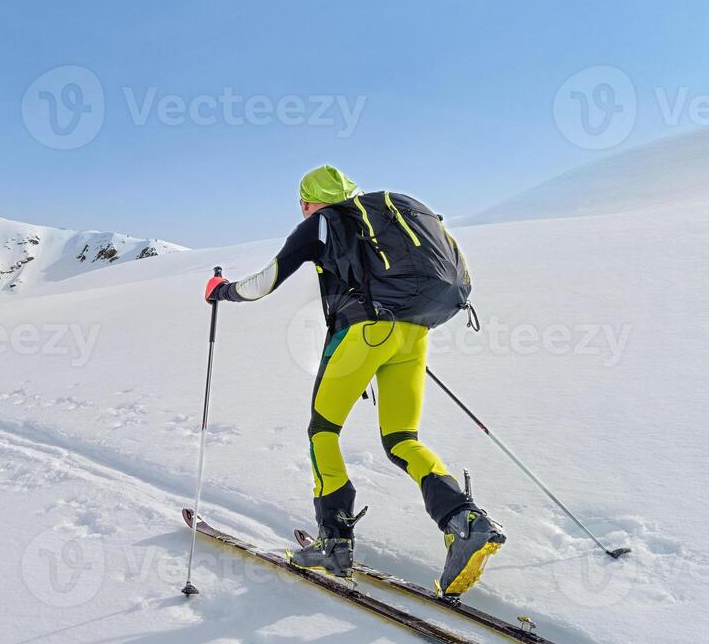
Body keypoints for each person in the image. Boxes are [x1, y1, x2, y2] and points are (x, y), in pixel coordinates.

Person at [203, 165, 505, 598]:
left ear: (311, 201)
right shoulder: (385, 218)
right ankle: (465, 521)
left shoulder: (322, 223)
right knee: (403, 439)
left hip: (365, 334)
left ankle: (334, 542)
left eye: (303, 203)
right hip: (415, 332)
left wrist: (222, 289)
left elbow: (263, 283)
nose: (303, 210)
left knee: (322, 432)